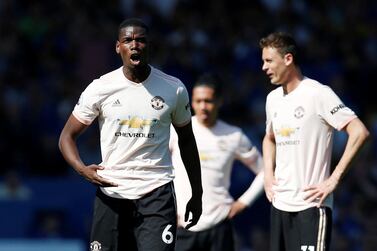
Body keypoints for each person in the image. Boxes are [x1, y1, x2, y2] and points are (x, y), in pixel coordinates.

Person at [58, 18, 203, 251]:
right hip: (111, 192)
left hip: (156, 192)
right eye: (128, 40)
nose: (134, 45)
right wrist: (81, 169)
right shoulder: (100, 88)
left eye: (140, 40)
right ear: (118, 47)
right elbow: (66, 136)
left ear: (149, 46)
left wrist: (197, 193)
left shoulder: (173, 88)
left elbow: (187, 141)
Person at [259, 31, 370, 251]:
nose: (264, 67)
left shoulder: (318, 93)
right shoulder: (272, 99)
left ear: (288, 59)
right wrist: (268, 175)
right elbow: (269, 138)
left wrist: (334, 179)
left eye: (269, 60)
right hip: (279, 205)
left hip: (311, 206)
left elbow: (359, 132)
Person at [170, 73, 264, 251]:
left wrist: (244, 202)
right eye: (198, 101)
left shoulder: (234, 136)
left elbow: (265, 171)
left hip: (219, 226)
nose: (203, 106)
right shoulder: (176, 131)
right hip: (183, 226)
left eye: (209, 101)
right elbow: (157, 166)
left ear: (220, 101)